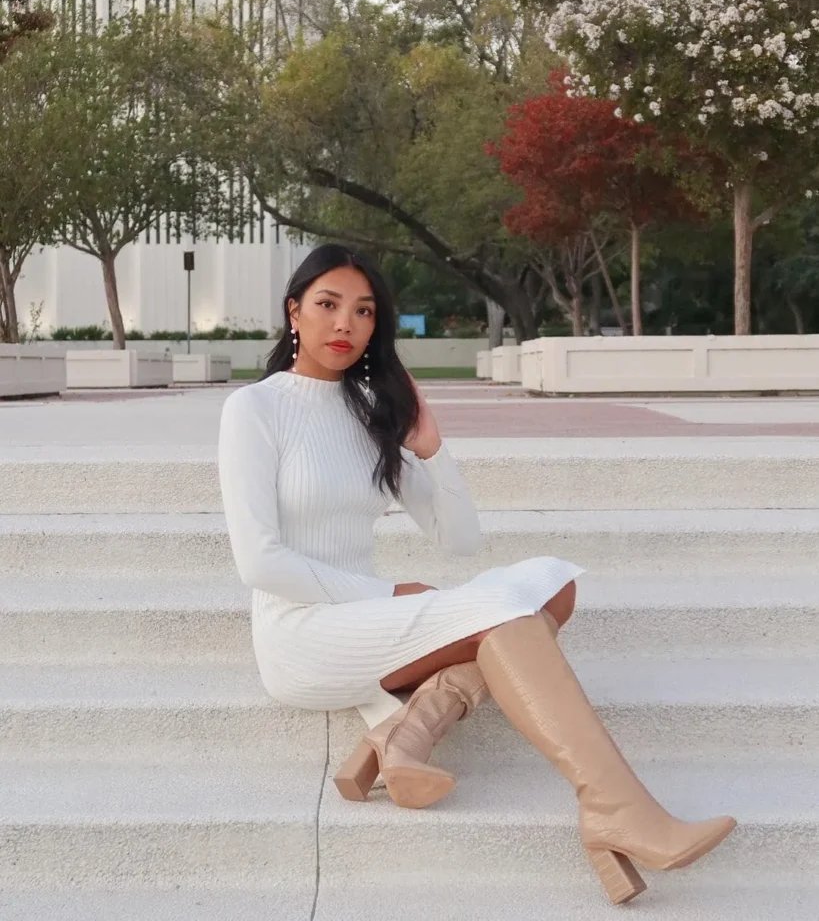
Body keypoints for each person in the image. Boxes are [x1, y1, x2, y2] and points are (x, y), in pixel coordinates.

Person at [218, 243, 736, 906]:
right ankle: (614, 808)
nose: (344, 323)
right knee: (508, 612)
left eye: (363, 311)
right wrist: (387, 592)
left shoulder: (370, 414)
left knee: (550, 583)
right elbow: (258, 562)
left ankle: (410, 732)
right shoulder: (253, 410)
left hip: (363, 619)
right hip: (300, 633)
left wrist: (431, 448)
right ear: (294, 312)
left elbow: (459, 540)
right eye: (326, 305)